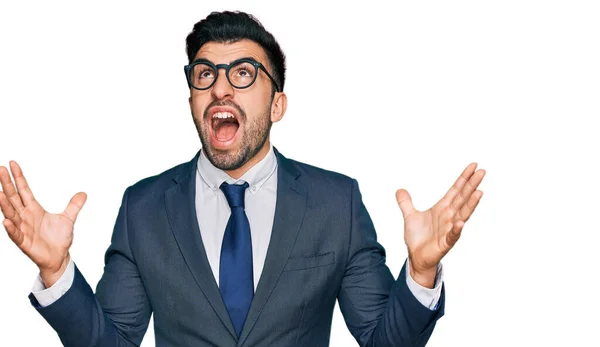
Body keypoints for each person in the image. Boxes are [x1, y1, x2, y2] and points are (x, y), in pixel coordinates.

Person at [0, 10, 485, 347]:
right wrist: (56, 271)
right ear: (191, 97)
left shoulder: (336, 202)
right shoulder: (143, 208)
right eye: (205, 74)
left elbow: (383, 339)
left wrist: (421, 274)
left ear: (277, 104)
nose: (221, 87)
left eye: (245, 73)